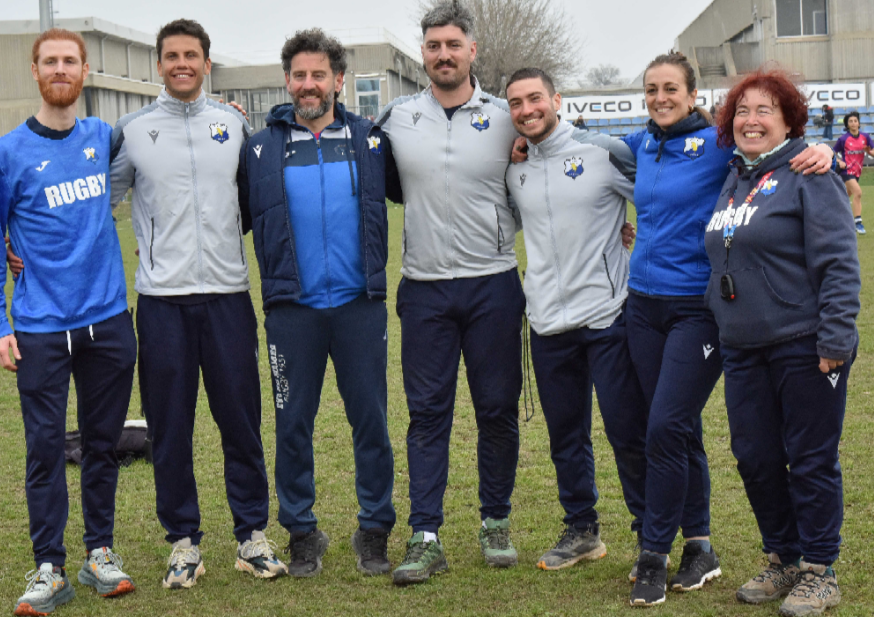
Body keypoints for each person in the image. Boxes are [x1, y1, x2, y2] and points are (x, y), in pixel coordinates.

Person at [620, 52, 834, 608]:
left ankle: (815, 570)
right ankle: (728, 551)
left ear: (694, 96)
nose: (660, 97)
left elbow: (835, 257)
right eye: (651, 89)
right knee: (723, 445)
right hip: (682, 320)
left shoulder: (745, 157)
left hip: (729, 318)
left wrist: (823, 149)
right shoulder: (669, 153)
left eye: (672, 88)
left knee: (676, 428)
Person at [109, 18, 286, 588]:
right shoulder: (132, 130)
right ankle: (183, 542)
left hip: (229, 297)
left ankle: (251, 536)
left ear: (207, 63)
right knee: (169, 427)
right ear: (159, 64)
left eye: (192, 55)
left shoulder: (231, 124)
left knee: (240, 420)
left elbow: (252, 199)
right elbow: (98, 204)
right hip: (161, 302)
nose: (181, 63)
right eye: (171, 55)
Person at [377, 1, 527, 584]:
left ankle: (496, 522)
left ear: (472, 50)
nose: (443, 54)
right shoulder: (395, 117)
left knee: (496, 411)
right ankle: (425, 533)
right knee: (427, 414)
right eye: (433, 45)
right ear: (424, 53)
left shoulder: (506, 115)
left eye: (453, 45)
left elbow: (559, 161)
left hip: (493, 283)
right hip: (424, 290)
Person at [237, 28, 395, 578]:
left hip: (359, 304)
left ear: (338, 80)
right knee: (292, 423)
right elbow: (227, 212)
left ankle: (374, 529)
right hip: (291, 310)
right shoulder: (258, 148)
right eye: (300, 75)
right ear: (287, 81)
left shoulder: (372, 139)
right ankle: (302, 531)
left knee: (370, 420)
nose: (309, 84)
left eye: (319, 74)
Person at [705, 69, 859, 617]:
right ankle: (783, 558)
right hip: (743, 346)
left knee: (810, 458)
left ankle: (819, 570)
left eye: (765, 110)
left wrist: (837, 337)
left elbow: (840, 262)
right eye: (742, 110)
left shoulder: (809, 173)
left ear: (789, 119)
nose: (751, 120)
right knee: (755, 457)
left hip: (805, 342)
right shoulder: (734, 178)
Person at [0, 28, 137, 615]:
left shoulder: (104, 138)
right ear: (35, 71)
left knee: (103, 445)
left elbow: (165, 138)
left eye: (70, 61)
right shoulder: (8, 152)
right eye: (50, 61)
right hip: (38, 326)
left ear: (84, 71)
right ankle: (49, 566)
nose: (61, 70)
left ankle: (99, 552)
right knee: (44, 448)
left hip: (107, 320)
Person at [504, 68, 649, 572]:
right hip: (546, 322)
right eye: (516, 103)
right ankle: (581, 530)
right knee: (566, 435)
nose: (527, 110)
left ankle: (650, 536)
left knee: (627, 431)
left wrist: (635, 247)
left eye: (535, 98)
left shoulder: (603, 152)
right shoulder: (514, 168)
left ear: (556, 99)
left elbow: (661, 203)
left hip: (608, 317)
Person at [833, 111, 873, 235]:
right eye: (851, 121)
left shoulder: (865, 137)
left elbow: (872, 152)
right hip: (846, 171)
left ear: (859, 123)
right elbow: (832, 152)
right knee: (858, 193)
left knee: (844, 197)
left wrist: (869, 151)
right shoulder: (843, 139)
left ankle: (833, 218)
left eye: (855, 121)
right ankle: (858, 223)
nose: (854, 123)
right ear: (847, 124)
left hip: (857, 172)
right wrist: (839, 161)